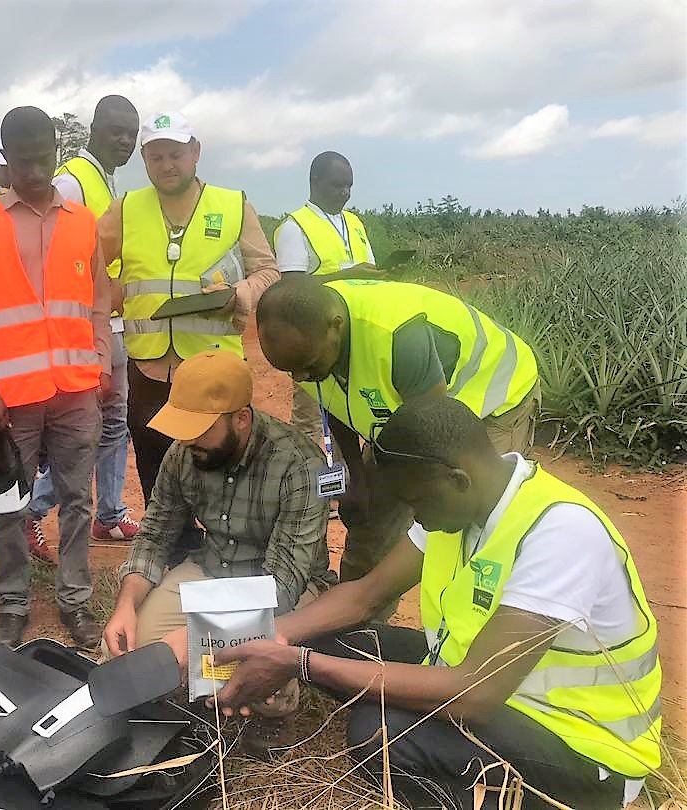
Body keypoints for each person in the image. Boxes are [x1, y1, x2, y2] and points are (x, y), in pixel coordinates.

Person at [211, 397, 662, 810]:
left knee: (381, 735)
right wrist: (275, 638)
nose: (413, 516)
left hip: (580, 747)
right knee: (330, 637)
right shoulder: (458, 506)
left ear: (457, 479)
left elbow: (474, 694)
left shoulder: (560, 534)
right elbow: (368, 596)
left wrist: (301, 664)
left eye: (416, 502)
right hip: (490, 687)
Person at [257, 276, 540, 589]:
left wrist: (408, 497)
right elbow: (335, 401)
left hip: (492, 395)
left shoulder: (398, 336)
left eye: (308, 366)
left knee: (467, 511)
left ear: (335, 326)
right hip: (410, 409)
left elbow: (429, 440)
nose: (301, 377)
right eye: (291, 370)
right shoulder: (309, 346)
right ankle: (356, 627)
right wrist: (360, 479)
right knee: (372, 517)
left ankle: (469, 614)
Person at [0, 106, 112, 648]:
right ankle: (14, 602)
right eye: (23, 160)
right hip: (13, 394)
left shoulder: (83, 222)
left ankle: (76, 600)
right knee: (9, 504)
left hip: (76, 389)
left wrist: (101, 362)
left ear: (57, 152)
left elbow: (97, 301)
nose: (36, 170)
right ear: (5, 157)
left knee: (77, 501)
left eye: (45, 157)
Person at [97, 110, 280, 517]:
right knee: (156, 470)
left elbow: (268, 270)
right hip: (149, 370)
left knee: (224, 467)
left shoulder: (233, 205)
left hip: (216, 368)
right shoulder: (124, 209)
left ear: (195, 152)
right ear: (144, 160)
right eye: (156, 157)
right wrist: (108, 291)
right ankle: (169, 552)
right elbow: (91, 269)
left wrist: (241, 293)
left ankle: (224, 553)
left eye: (176, 154)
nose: (167, 165)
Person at [102, 350, 330, 660]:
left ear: (241, 419)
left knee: (254, 670)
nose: (187, 441)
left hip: (279, 592)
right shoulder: (186, 451)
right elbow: (154, 536)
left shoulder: (299, 465)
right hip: (211, 573)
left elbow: (284, 583)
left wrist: (202, 634)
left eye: (201, 429)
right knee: (125, 647)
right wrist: (126, 604)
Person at [27, 95, 142, 560]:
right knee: (85, 431)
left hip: (111, 326)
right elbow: (50, 264)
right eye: (116, 130)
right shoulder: (72, 183)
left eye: (131, 133)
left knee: (115, 425)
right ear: (94, 128)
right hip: (83, 334)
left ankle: (109, 514)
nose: (125, 140)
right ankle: (31, 512)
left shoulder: (106, 183)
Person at [274, 151, 381, 444]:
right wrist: (348, 276)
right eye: (337, 185)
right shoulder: (295, 227)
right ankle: (306, 481)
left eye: (349, 185)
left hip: (354, 336)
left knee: (353, 413)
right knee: (310, 419)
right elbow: (291, 290)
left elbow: (367, 272)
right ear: (315, 181)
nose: (345, 193)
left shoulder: (355, 224)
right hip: (313, 342)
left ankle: (352, 482)